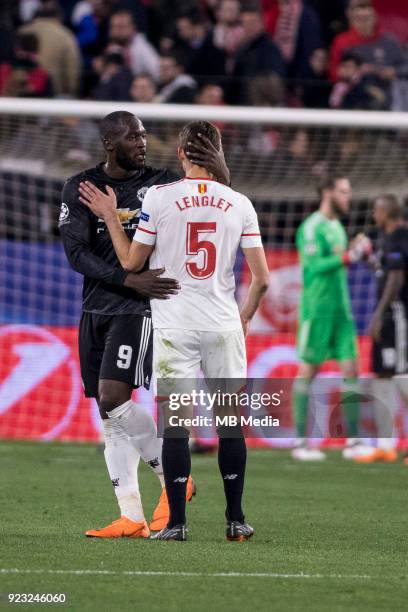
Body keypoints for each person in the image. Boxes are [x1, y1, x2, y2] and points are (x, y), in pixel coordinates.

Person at [78, 120, 270, 541]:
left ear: (181, 153)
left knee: (177, 425)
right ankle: (235, 520)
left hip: (175, 325)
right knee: (229, 423)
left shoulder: (161, 198)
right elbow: (262, 278)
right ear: (218, 154)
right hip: (222, 325)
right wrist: (246, 316)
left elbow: (130, 263)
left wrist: (111, 216)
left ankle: (178, 524)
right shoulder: (239, 202)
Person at [292, 175, 372, 461]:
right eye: (343, 192)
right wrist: (349, 256)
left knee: (351, 371)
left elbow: (341, 259)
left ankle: (352, 441)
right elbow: (314, 265)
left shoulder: (337, 226)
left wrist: (357, 253)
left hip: (342, 310)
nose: (348, 197)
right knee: (307, 373)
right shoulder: (311, 227)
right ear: (328, 192)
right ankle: (301, 443)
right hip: (317, 310)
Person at [355, 195, 408, 463]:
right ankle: (386, 445)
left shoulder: (400, 237)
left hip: (396, 316)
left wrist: (378, 314)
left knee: (401, 376)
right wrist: (367, 256)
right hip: (387, 317)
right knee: (382, 377)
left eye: (376, 210)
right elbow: (385, 271)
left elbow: (397, 277)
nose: (373, 215)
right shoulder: (387, 240)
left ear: (386, 212)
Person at [19, 0, 81, 97]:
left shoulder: (22, 31)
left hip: (18, 95)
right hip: (53, 97)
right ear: (59, 17)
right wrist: (72, 92)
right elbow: (72, 71)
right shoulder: (65, 35)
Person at [108, 10, 160, 80]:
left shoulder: (143, 48)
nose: (116, 31)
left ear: (133, 27)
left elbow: (158, 74)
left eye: (121, 27)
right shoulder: (114, 49)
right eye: (113, 27)